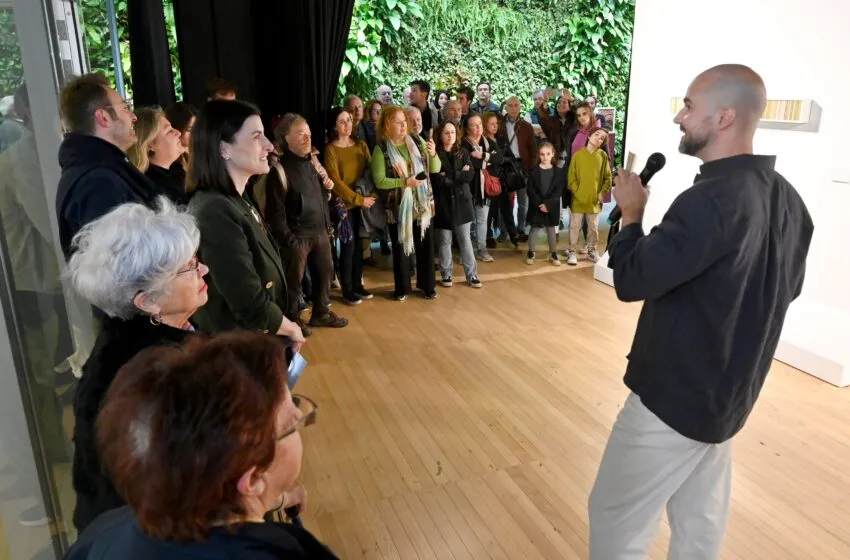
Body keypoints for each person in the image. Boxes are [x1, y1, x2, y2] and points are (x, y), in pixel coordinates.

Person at [588, 64, 814, 560]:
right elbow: (783, 292)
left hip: (670, 401)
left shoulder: (708, 202)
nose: (678, 117)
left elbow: (630, 279)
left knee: (616, 519)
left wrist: (631, 214)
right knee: (700, 525)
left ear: (725, 117)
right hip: (727, 399)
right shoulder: (791, 204)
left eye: (689, 106)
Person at [65, 331, 338, 559]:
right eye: (292, 422)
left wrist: (277, 498)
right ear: (253, 478)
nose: (301, 417)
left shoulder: (102, 532)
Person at [66, 199, 209, 532]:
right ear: (148, 300)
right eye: (189, 266)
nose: (203, 270)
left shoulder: (154, 336)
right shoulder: (151, 372)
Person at [186, 100, 305, 346]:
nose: (269, 146)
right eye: (256, 137)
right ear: (223, 149)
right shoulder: (214, 210)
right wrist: (290, 328)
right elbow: (248, 302)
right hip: (238, 348)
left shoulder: (235, 200)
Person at [262, 114, 348, 332]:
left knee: (325, 273)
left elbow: (319, 198)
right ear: (285, 138)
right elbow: (275, 213)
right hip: (297, 235)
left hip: (319, 231)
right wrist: (289, 240)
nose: (307, 138)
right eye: (301, 134)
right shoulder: (278, 172)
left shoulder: (311, 165)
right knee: (293, 283)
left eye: (308, 134)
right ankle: (292, 320)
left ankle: (321, 312)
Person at [55, 72, 154, 259]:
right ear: (103, 117)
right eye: (125, 108)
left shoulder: (99, 172)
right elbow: (121, 267)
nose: (133, 116)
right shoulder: (97, 183)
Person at [371, 105, 440, 301]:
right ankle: (402, 288)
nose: (403, 126)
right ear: (387, 125)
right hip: (399, 207)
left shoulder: (417, 141)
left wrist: (433, 153)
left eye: (404, 122)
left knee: (426, 247)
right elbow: (379, 181)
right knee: (401, 250)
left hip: (423, 204)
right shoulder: (381, 149)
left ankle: (428, 286)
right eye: (398, 122)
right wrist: (404, 182)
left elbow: (434, 169)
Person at [323, 107, 376, 305]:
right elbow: (335, 182)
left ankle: (357, 284)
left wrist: (371, 195)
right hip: (344, 207)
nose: (347, 124)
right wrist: (358, 199)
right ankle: (347, 289)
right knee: (348, 247)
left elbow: (371, 172)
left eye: (349, 120)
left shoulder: (361, 145)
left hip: (363, 205)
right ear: (334, 126)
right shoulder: (331, 149)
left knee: (360, 246)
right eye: (342, 121)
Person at [431, 121, 480, 288]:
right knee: (444, 240)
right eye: (446, 132)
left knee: (465, 239)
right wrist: (459, 175)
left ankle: (472, 274)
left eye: (452, 132)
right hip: (443, 202)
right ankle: (446, 274)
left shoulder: (463, 152)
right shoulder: (435, 154)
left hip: (462, 202)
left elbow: (470, 175)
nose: (450, 135)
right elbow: (436, 179)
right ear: (440, 135)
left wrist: (450, 175)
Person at [566, 127, 611, 265]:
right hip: (578, 200)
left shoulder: (602, 156)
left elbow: (607, 178)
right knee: (575, 226)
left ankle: (592, 250)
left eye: (602, 138)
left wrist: (601, 193)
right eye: (597, 134)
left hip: (594, 201)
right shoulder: (577, 156)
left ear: (602, 143)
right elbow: (571, 178)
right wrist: (577, 192)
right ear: (589, 135)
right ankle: (572, 251)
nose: (598, 138)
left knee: (593, 228)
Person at [128, 107, 188, 205]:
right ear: (149, 145)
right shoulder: (151, 189)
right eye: (169, 131)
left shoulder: (178, 172)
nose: (178, 133)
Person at [463, 114, 501, 263]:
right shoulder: (463, 144)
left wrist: (482, 155)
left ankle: (482, 249)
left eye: (479, 124)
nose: (478, 127)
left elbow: (500, 159)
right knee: (466, 222)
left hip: (484, 188)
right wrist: (488, 161)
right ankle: (466, 251)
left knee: (482, 220)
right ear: (467, 129)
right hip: (468, 186)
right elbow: (470, 164)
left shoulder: (488, 142)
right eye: (474, 125)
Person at [525, 142, 564, 266]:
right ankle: (531, 251)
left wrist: (548, 205)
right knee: (534, 228)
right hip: (537, 205)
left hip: (551, 205)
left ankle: (553, 253)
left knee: (551, 228)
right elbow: (530, 190)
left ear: (553, 154)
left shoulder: (558, 171)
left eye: (548, 154)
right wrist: (540, 204)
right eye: (542, 154)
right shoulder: (533, 171)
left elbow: (558, 190)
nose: (545, 157)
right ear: (539, 155)